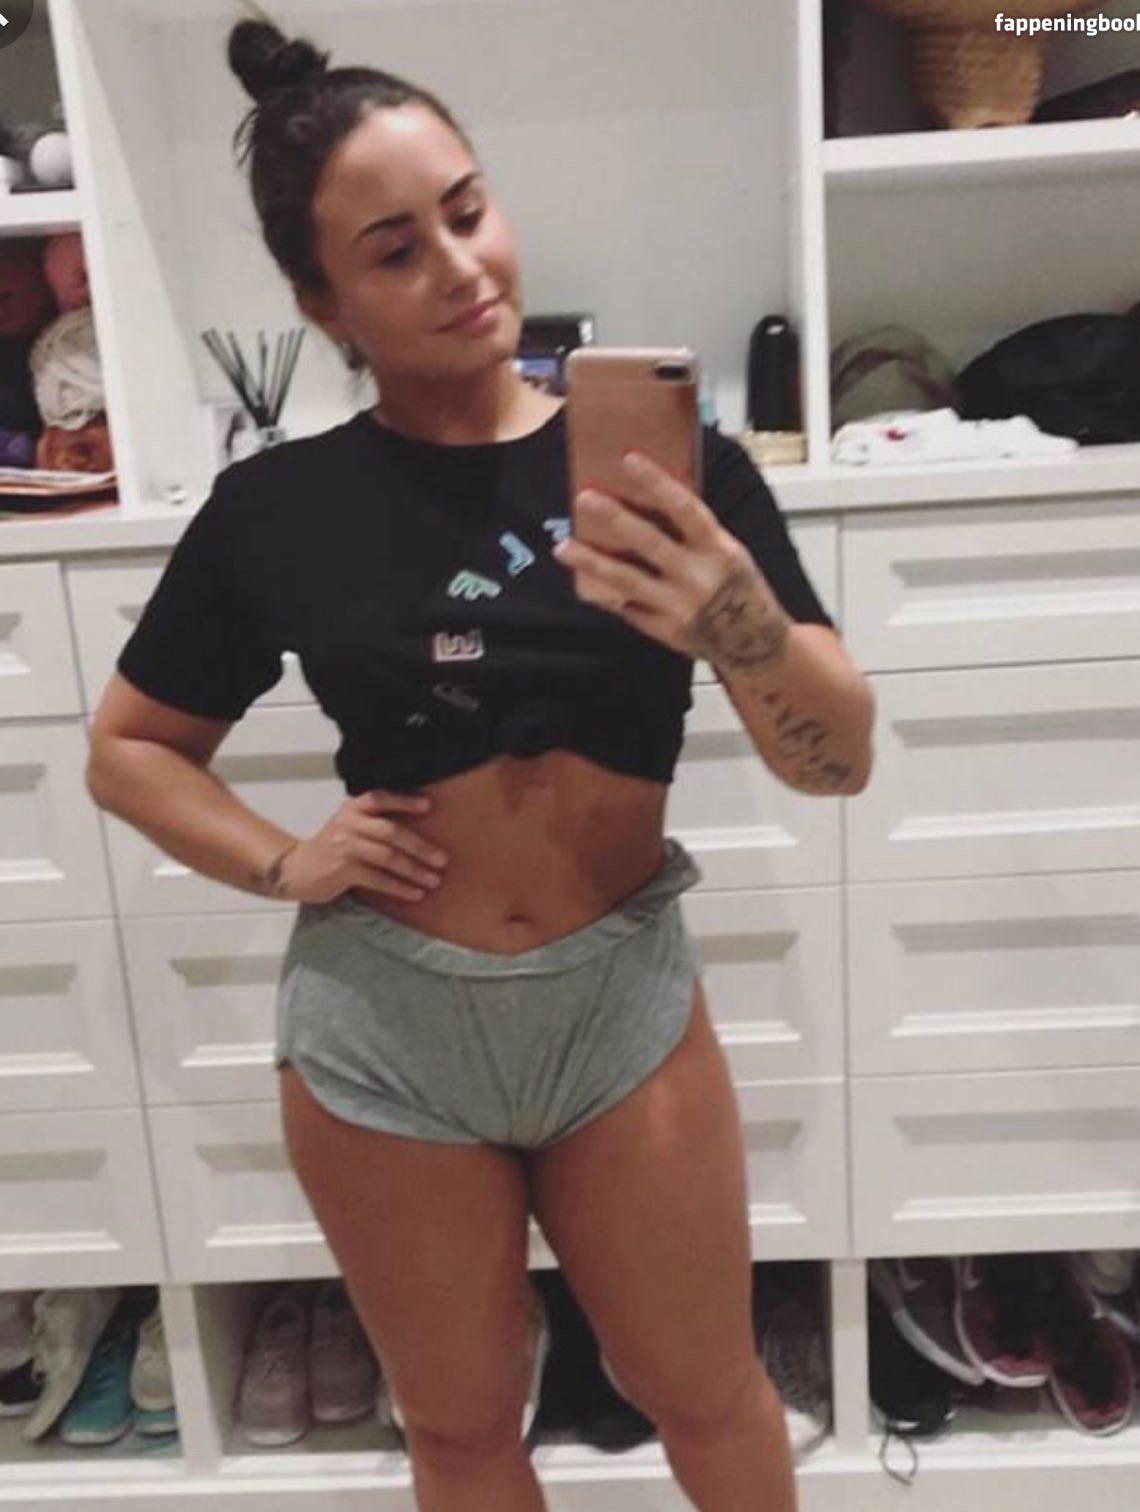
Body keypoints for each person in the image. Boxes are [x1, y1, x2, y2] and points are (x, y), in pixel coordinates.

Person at [85, 11, 875, 1511]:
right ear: (321, 303)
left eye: (468, 211)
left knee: (704, 1391)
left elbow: (837, 762)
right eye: (396, 251)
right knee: (456, 1429)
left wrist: (734, 615)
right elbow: (130, 751)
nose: (461, 267)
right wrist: (282, 860)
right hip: (385, 1030)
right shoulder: (278, 510)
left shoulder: (669, 466)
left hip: (618, 1005)